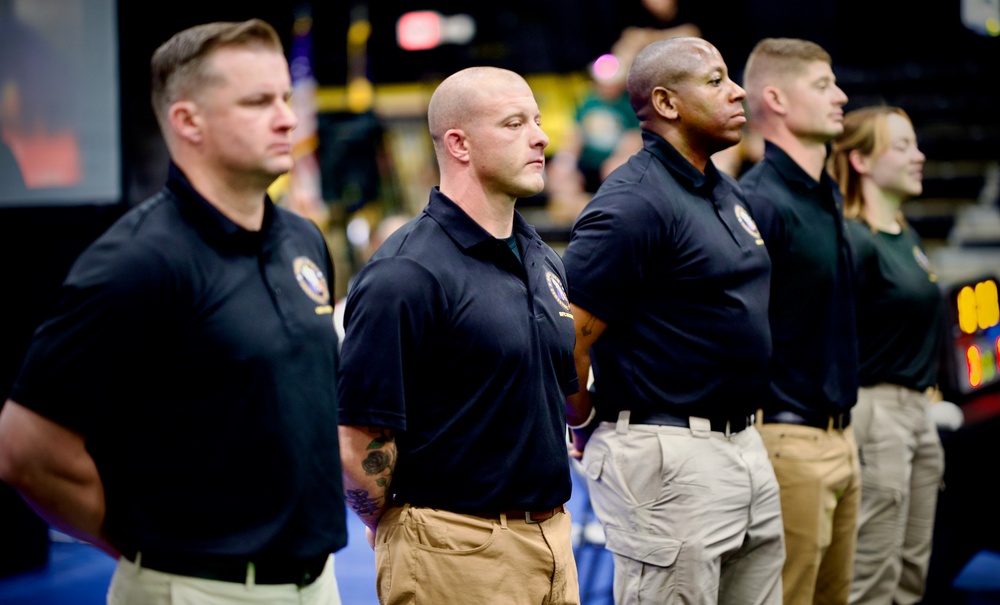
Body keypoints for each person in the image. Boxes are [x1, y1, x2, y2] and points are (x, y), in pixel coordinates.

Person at [0, 19, 347, 604]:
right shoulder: (137, 260)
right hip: (194, 590)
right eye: (258, 102)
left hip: (317, 582)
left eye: (285, 97)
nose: (287, 118)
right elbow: (25, 449)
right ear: (189, 122)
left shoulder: (302, 240)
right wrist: (146, 549)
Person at [337, 66, 581, 605]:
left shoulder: (540, 258)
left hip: (553, 544)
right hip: (452, 554)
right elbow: (359, 446)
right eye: (514, 124)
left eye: (537, 121)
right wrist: (402, 532)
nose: (540, 137)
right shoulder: (405, 274)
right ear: (459, 144)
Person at [561, 36, 785, 605]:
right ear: (666, 103)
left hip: (743, 443)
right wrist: (584, 420)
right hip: (669, 453)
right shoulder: (633, 202)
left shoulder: (720, 186)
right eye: (715, 82)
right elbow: (566, 338)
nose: (737, 93)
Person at [739, 37, 861, 605]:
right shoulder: (758, 202)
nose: (839, 96)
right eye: (821, 85)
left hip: (840, 435)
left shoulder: (827, 193)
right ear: (777, 100)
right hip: (788, 438)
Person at [828, 106, 946, 605]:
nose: (917, 156)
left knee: (910, 575)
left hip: (918, 413)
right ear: (859, 160)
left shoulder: (905, 234)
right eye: (901, 146)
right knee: (873, 578)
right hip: (877, 415)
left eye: (915, 143)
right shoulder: (854, 241)